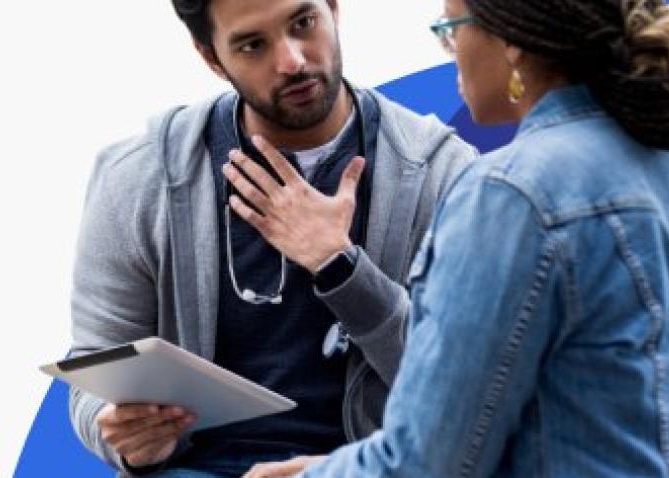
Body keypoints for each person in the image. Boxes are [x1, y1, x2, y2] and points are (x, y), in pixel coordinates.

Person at [247, 0, 669, 476]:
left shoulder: (511, 193)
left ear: (512, 44)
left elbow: (429, 463)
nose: (452, 57)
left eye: (450, 32)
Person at [67, 0, 475, 476]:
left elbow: (470, 386)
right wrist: (121, 432)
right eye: (253, 45)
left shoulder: (444, 175)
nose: (292, 61)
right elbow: (96, 367)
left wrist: (341, 265)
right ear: (211, 57)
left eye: (303, 24)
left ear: (334, 10)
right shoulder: (138, 178)